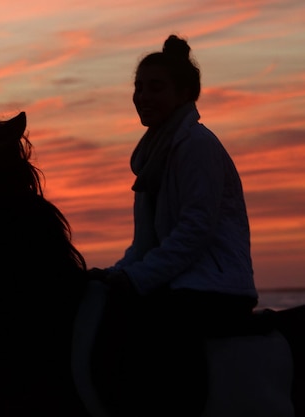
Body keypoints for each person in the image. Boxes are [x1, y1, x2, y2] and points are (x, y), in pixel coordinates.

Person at [91, 35, 258, 417]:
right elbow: (146, 243)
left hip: (213, 285)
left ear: (185, 94)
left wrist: (138, 279)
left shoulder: (196, 145)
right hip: (178, 280)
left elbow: (194, 230)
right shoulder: (154, 155)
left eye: (156, 87)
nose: (143, 96)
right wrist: (115, 274)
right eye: (138, 87)